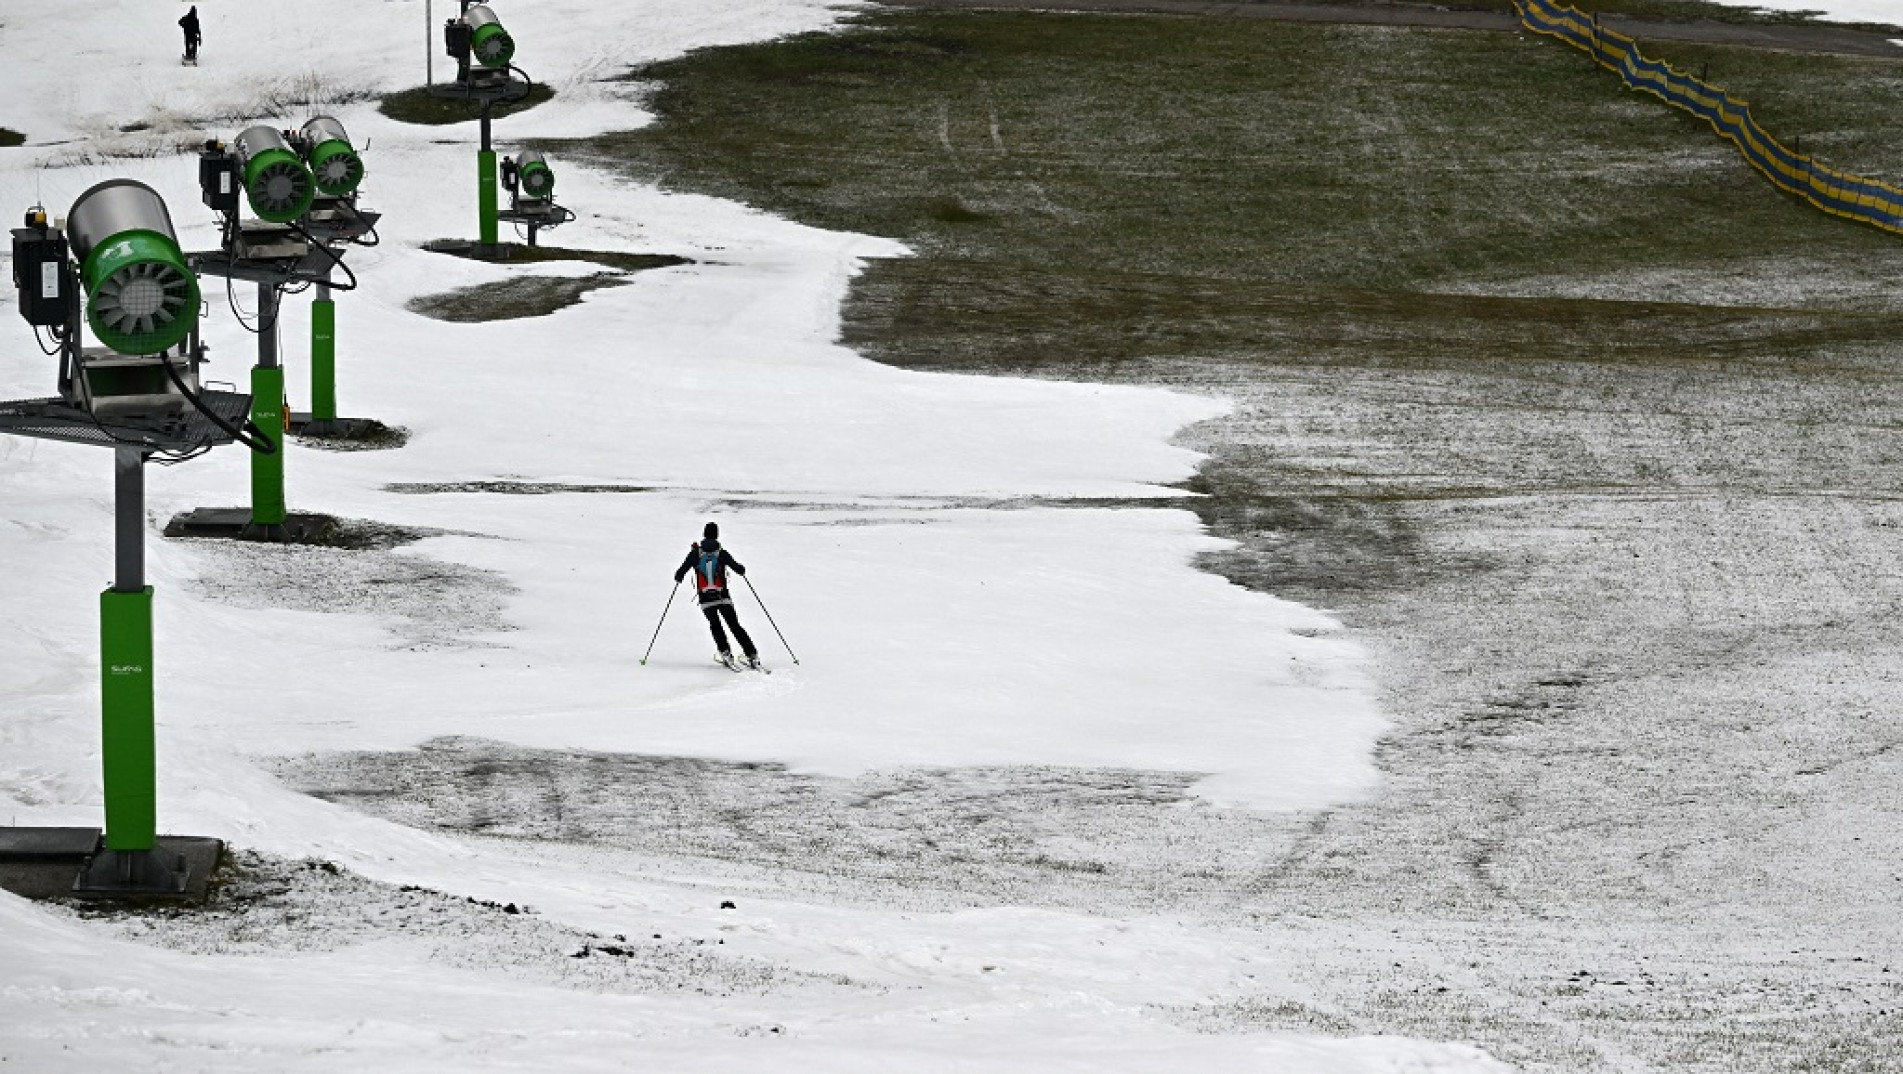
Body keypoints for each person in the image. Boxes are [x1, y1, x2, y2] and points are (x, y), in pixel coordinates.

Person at [673, 522, 760, 669]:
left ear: (704, 534)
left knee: (715, 625)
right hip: (723, 597)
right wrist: (742, 569)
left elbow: (679, 574)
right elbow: (739, 570)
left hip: (705, 599)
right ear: (717, 535)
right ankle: (752, 655)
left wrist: (682, 574)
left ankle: (725, 653)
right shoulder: (722, 553)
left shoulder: (695, 554)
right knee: (734, 625)